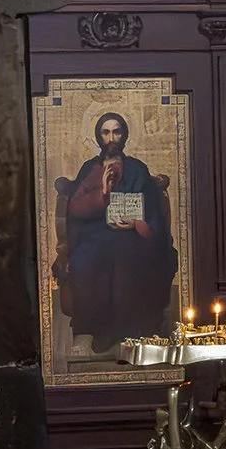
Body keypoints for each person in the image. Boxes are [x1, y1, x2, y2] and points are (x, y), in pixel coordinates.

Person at [60, 112, 179, 355]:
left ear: (124, 135)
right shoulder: (90, 168)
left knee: (128, 254)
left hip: (132, 237)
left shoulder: (137, 169)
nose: (111, 137)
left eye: (116, 131)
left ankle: (133, 332)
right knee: (87, 259)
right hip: (94, 236)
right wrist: (102, 192)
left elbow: (153, 213)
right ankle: (97, 331)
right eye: (106, 132)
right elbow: (75, 210)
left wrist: (137, 224)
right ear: (98, 136)